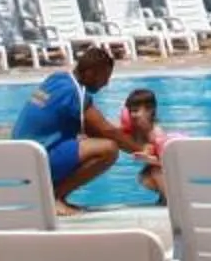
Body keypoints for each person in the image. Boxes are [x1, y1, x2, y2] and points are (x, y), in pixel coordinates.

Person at [9, 46, 128, 205]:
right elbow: (107, 131)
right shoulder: (73, 93)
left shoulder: (57, 79)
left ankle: (55, 197)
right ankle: (54, 198)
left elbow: (94, 130)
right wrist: (144, 149)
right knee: (109, 149)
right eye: (105, 77)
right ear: (90, 73)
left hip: (21, 159)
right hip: (38, 161)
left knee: (91, 140)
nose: (106, 84)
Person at [119, 86, 177, 200]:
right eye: (130, 111)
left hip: (173, 169)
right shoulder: (135, 129)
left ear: (150, 110)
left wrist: (148, 159)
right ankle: (164, 196)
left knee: (154, 172)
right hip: (162, 169)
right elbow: (112, 131)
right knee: (144, 176)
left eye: (136, 111)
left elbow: (168, 163)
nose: (132, 115)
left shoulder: (156, 134)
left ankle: (170, 200)